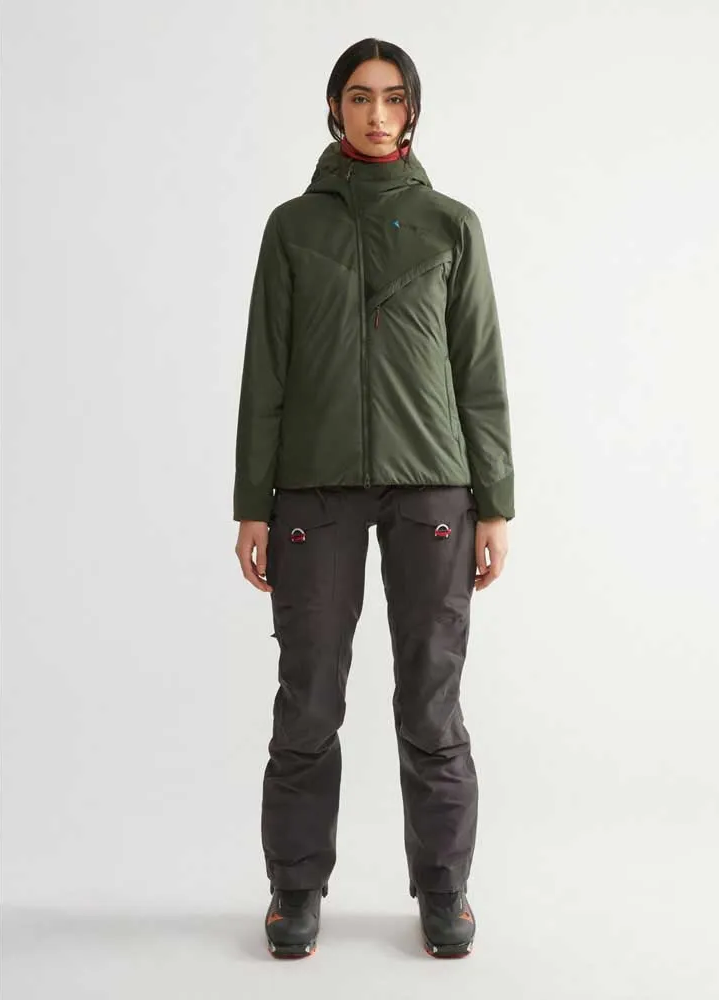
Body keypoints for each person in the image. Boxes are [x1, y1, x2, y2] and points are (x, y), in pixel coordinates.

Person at [232, 37, 515, 960]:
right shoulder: (291, 229)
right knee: (308, 697)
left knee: (431, 700)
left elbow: (479, 374)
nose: (377, 113)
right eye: (359, 97)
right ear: (334, 109)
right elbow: (265, 373)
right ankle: (295, 887)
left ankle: (444, 888)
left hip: (433, 486)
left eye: (393, 98)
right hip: (313, 490)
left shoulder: (451, 226)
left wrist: (496, 503)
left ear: (414, 111)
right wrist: (253, 503)